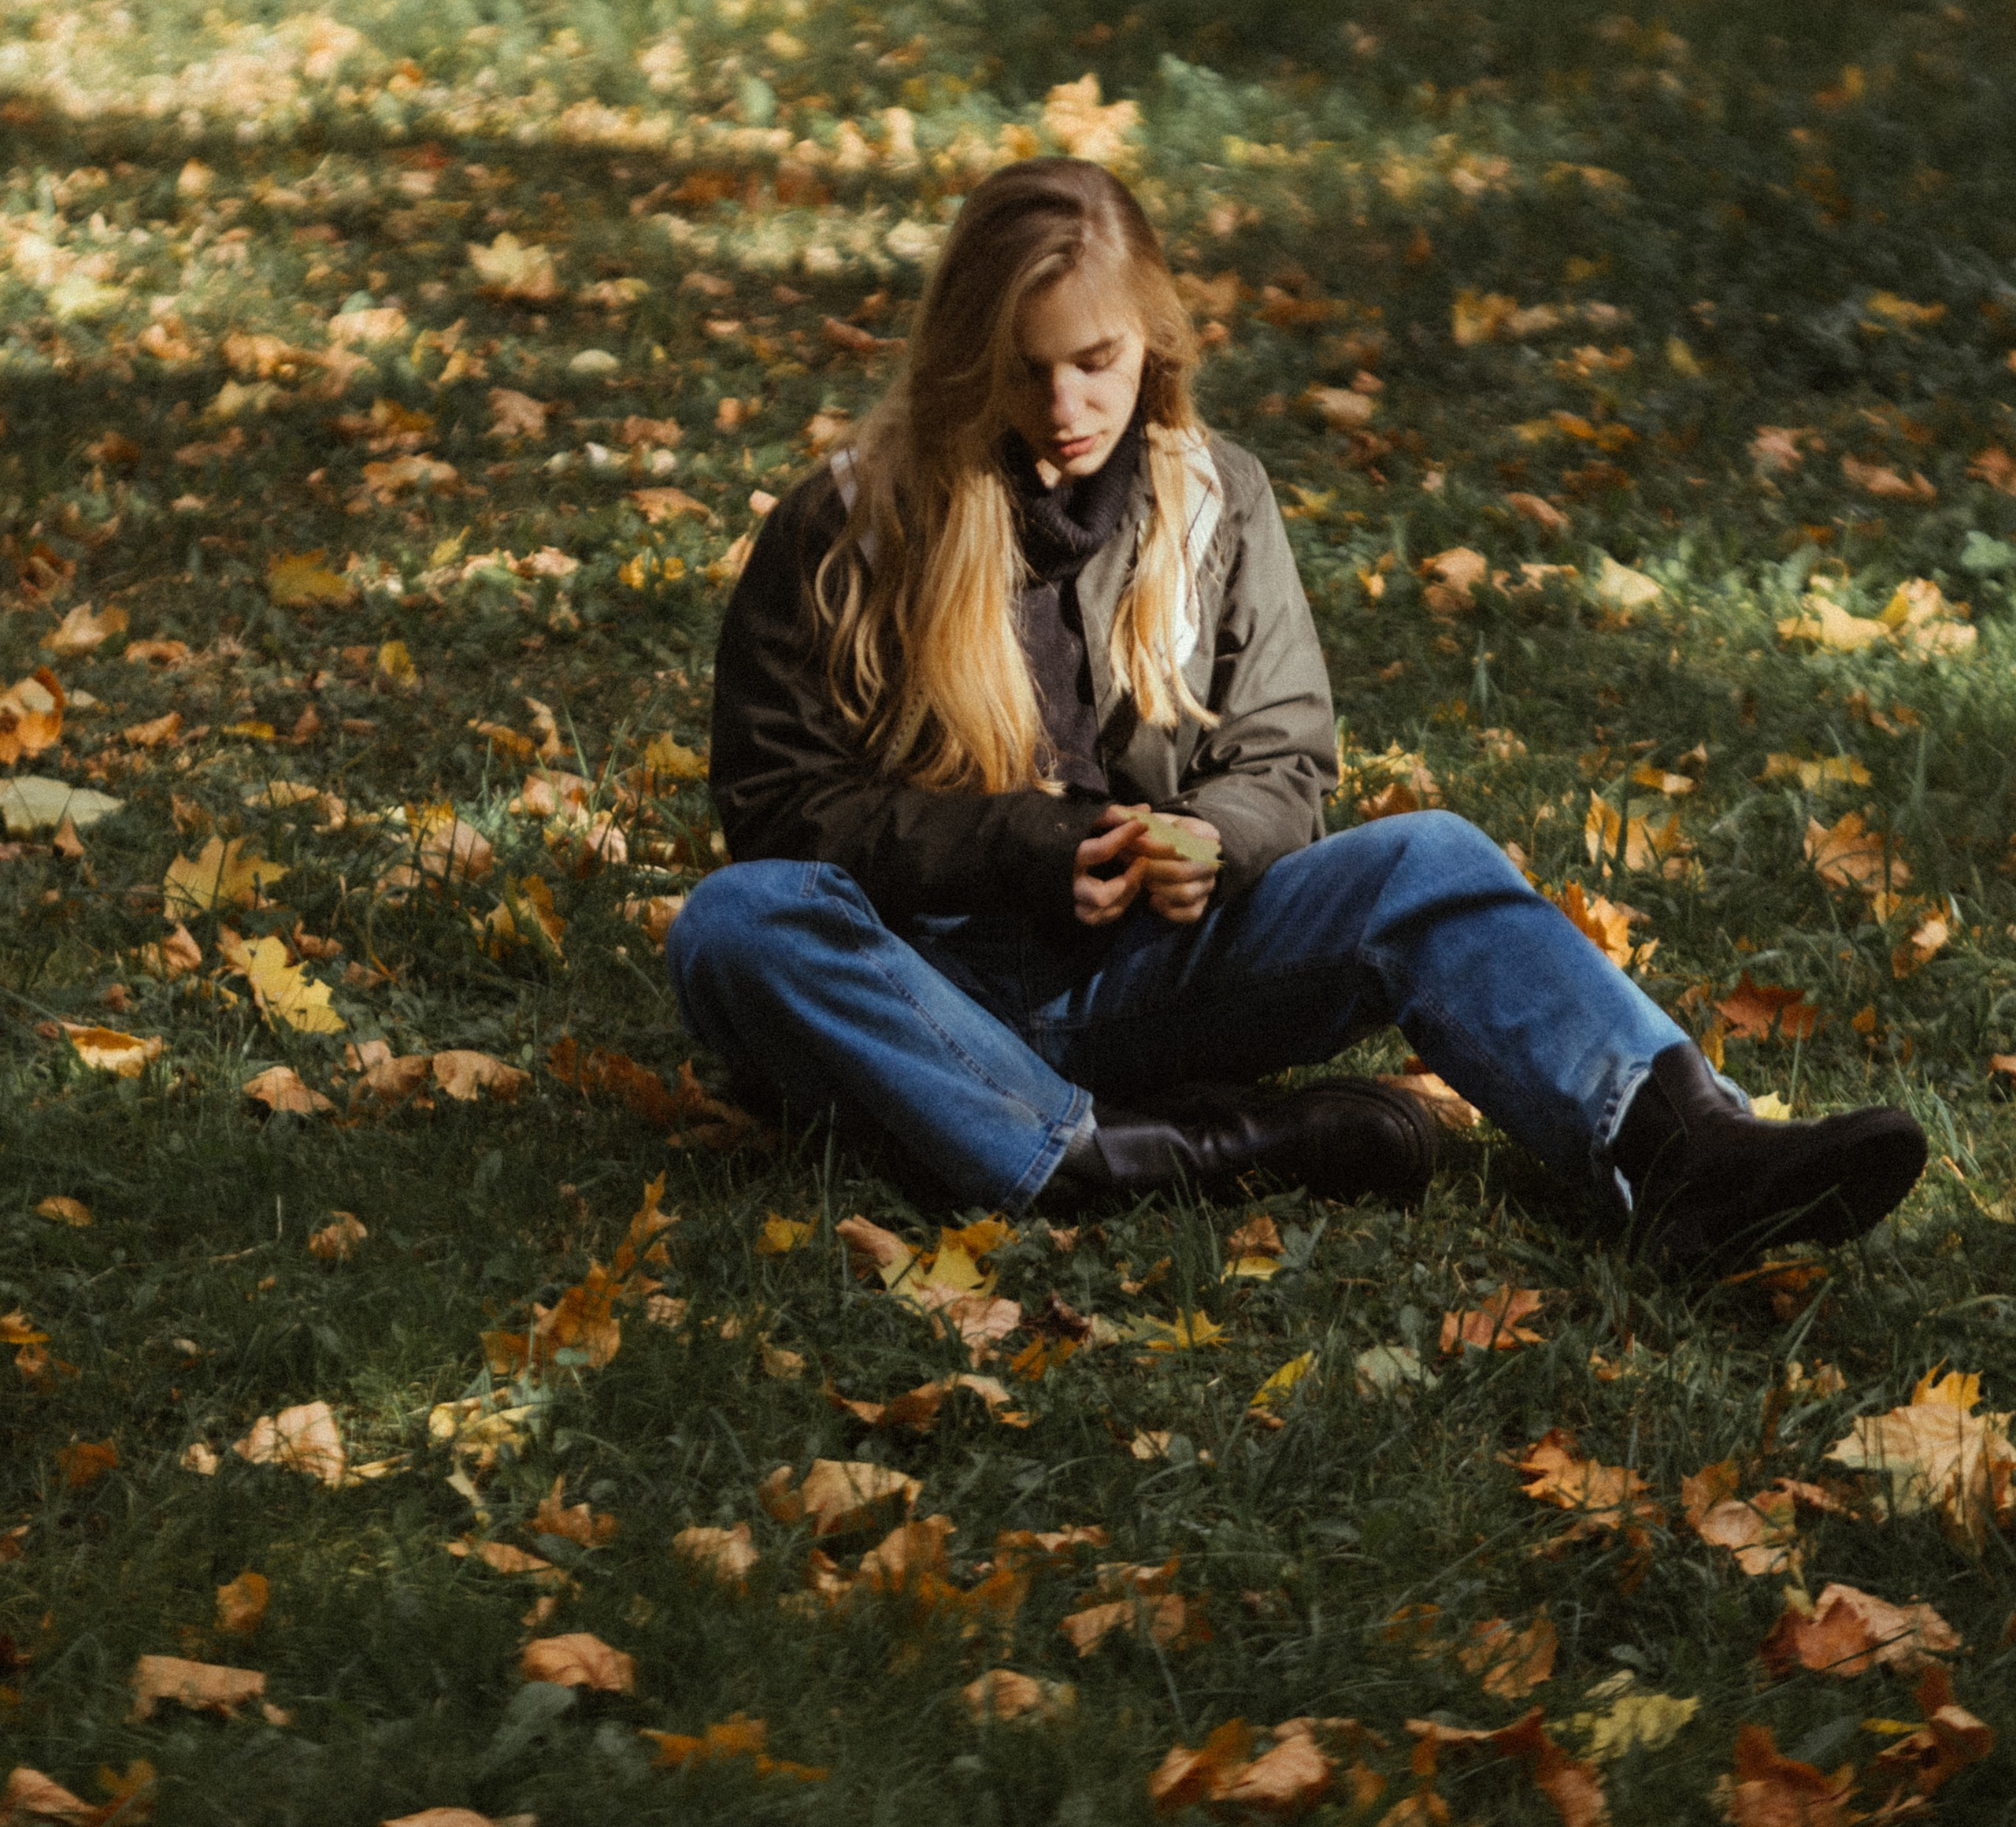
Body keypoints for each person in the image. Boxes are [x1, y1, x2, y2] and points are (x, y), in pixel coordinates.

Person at [669, 159, 1926, 1262]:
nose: (1065, 410)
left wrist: (1217, 840)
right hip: (924, 991)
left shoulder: (1218, 500)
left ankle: (1682, 1151)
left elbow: (1282, 753)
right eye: (1025, 372)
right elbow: (781, 811)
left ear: (1152, 339)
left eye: (1096, 364)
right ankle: (1121, 1155)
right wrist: (1025, 850)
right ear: (965, 360)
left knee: (1429, 857)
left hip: (1156, 974)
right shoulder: (850, 521)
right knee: (736, 926)